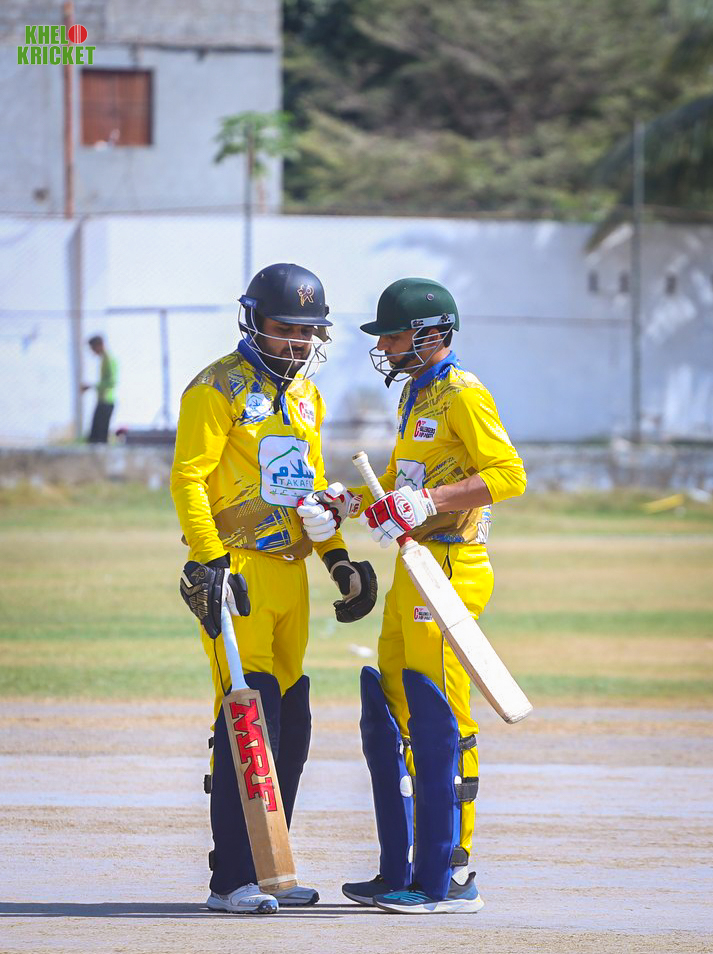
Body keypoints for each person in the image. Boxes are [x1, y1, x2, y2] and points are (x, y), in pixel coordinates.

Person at [299, 277, 526, 914]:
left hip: (451, 564)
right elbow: (404, 485)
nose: (385, 347)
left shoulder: (463, 393)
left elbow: (508, 475)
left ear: (430, 334)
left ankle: (452, 872)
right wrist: (349, 503)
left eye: (394, 336)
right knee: (399, 700)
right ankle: (401, 867)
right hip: (413, 565)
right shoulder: (416, 394)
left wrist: (430, 502)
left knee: (441, 711)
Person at [170, 263, 377, 915]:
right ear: (254, 321)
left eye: (309, 331)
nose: (297, 341)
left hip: (291, 573)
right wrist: (209, 563)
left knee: (291, 722)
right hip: (237, 571)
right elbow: (188, 479)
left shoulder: (307, 395)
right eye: (285, 327)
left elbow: (307, 490)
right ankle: (231, 878)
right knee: (247, 717)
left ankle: (272, 868)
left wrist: (337, 561)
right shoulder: (217, 387)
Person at [82, 334, 118, 443]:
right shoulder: (104, 360)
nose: (92, 351)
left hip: (107, 402)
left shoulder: (109, 360)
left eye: (93, 348)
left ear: (100, 345)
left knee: (100, 438)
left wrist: (91, 386)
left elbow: (112, 382)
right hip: (102, 401)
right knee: (94, 437)